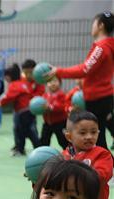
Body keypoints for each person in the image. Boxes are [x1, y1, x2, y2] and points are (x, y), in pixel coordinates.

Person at [50, 11, 114, 148]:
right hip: (101, 96)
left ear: (101, 25)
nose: (92, 27)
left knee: (96, 139)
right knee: (97, 137)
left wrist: (58, 71)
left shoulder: (101, 48)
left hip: (98, 98)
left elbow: (85, 69)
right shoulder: (106, 46)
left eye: (94, 23)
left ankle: (105, 168)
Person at [0, 64, 40, 156]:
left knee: (23, 131)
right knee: (28, 130)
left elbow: (8, 96)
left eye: (6, 76)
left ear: (9, 76)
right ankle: (33, 147)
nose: (5, 78)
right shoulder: (23, 83)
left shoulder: (14, 85)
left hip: (23, 112)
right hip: (29, 110)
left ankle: (23, 149)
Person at [39, 77, 68, 149]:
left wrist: (51, 107)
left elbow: (62, 106)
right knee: (44, 140)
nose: (52, 83)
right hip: (47, 123)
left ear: (60, 83)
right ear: (46, 84)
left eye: (55, 81)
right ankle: (43, 153)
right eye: (49, 82)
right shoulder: (45, 95)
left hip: (60, 122)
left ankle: (69, 153)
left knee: (63, 140)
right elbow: (41, 106)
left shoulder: (62, 95)